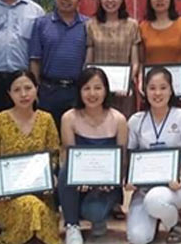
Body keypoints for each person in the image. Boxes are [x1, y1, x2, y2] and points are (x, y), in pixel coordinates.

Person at [0, 70, 61, 244]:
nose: (23, 94)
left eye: (28, 88)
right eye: (17, 90)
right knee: (31, 205)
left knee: (37, 205)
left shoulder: (46, 119)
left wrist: (50, 176)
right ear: (9, 93)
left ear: (36, 89)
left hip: (40, 189)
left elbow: (54, 154)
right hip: (8, 192)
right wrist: (0, 180)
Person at [126, 67, 181, 244]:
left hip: (176, 185)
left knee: (155, 200)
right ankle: (157, 216)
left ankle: (174, 223)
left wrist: (179, 174)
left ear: (171, 90)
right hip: (145, 187)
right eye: (152, 88)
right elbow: (130, 157)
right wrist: (129, 178)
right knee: (137, 238)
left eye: (163, 87)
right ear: (144, 91)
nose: (157, 93)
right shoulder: (136, 121)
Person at [58, 67, 128, 244]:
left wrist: (111, 180)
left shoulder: (119, 119)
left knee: (94, 212)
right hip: (79, 183)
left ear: (106, 90)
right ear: (79, 91)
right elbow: (68, 156)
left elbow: (122, 161)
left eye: (97, 88)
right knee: (65, 171)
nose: (92, 94)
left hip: (106, 184)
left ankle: (99, 218)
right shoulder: (69, 118)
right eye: (86, 88)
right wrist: (80, 177)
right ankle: (72, 225)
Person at [29, 0, 88, 131]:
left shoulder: (88, 25)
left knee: (75, 137)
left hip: (77, 92)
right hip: (48, 91)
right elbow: (35, 60)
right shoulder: (41, 23)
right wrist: (35, 89)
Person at [85, 0, 141, 117]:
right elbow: (89, 61)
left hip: (124, 92)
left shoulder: (132, 25)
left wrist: (126, 82)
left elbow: (135, 62)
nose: (110, 0)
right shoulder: (90, 25)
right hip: (98, 92)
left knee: (124, 125)